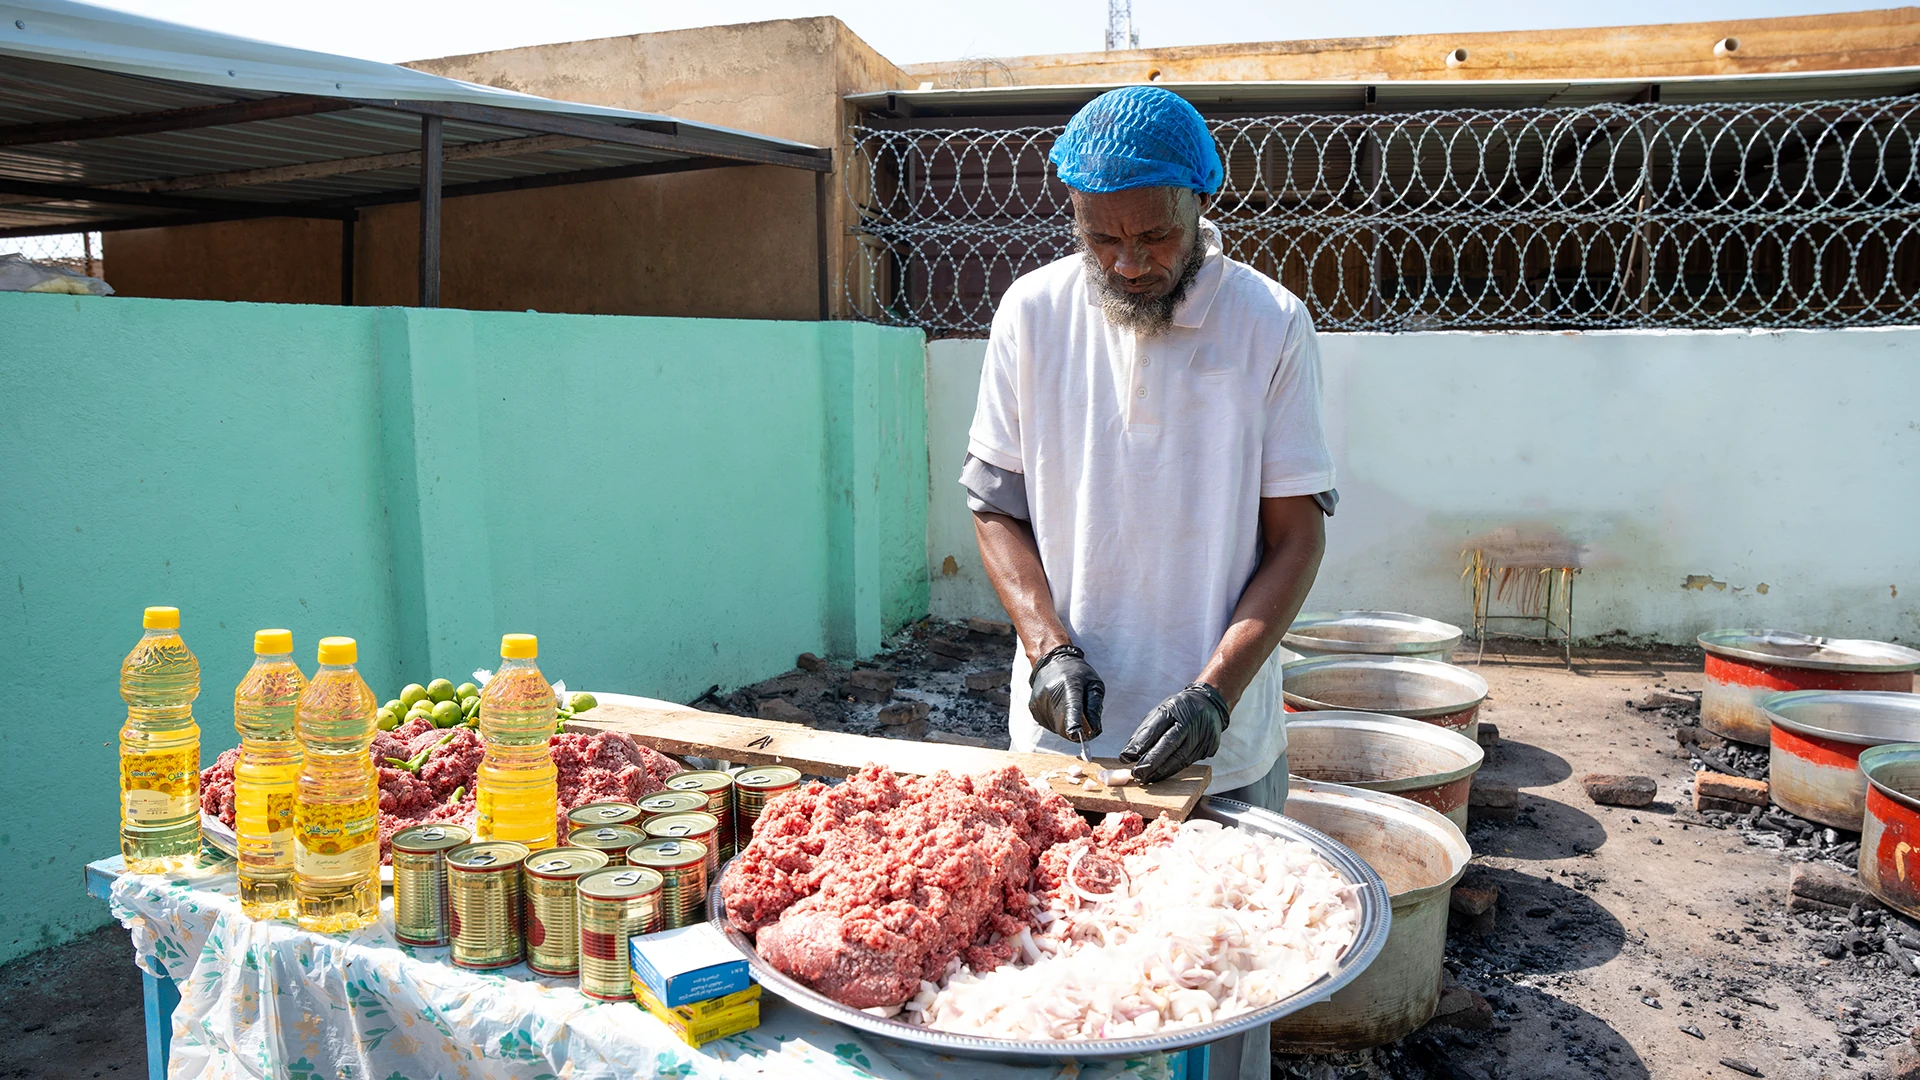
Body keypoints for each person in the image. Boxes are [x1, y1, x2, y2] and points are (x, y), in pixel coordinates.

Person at [965, 84, 1336, 816]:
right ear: (1074, 214)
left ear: (1201, 203)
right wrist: (1048, 651)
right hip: (1059, 752)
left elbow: (1296, 541)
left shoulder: (1272, 322)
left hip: (1219, 756)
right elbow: (994, 509)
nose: (1129, 264)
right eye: (1102, 239)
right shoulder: (1031, 313)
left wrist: (1212, 696)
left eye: (1155, 237)